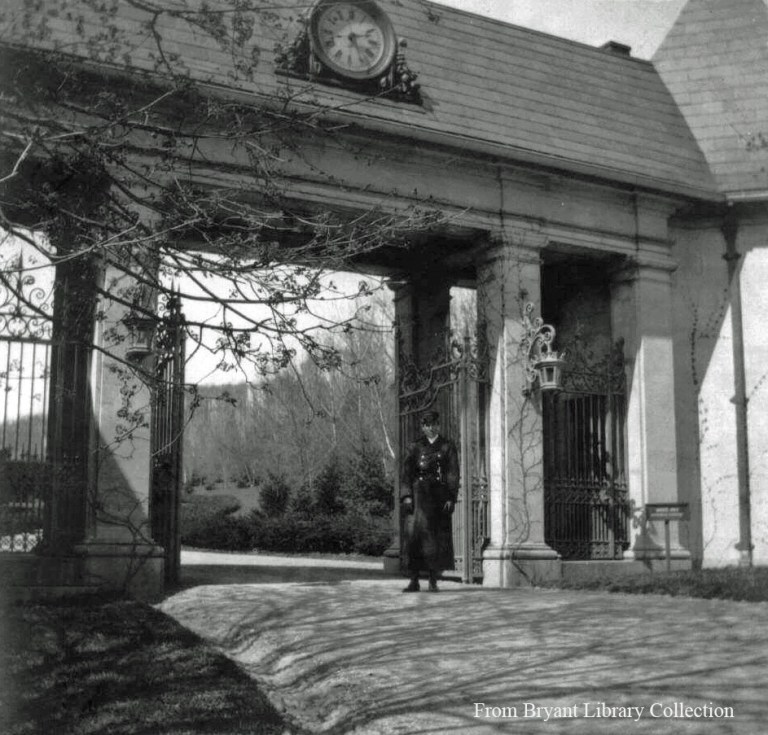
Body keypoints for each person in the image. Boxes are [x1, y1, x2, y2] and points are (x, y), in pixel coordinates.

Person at [400, 410, 459, 592]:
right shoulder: (415, 447)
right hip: (418, 499)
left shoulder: (447, 446)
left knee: (436, 540)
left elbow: (452, 473)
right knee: (415, 539)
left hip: (438, 497)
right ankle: (414, 579)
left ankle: (433, 580)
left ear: (438, 425)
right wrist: (407, 495)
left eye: (433, 424)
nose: (430, 428)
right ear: (422, 427)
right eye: (426, 425)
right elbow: (407, 473)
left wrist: (450, 496)